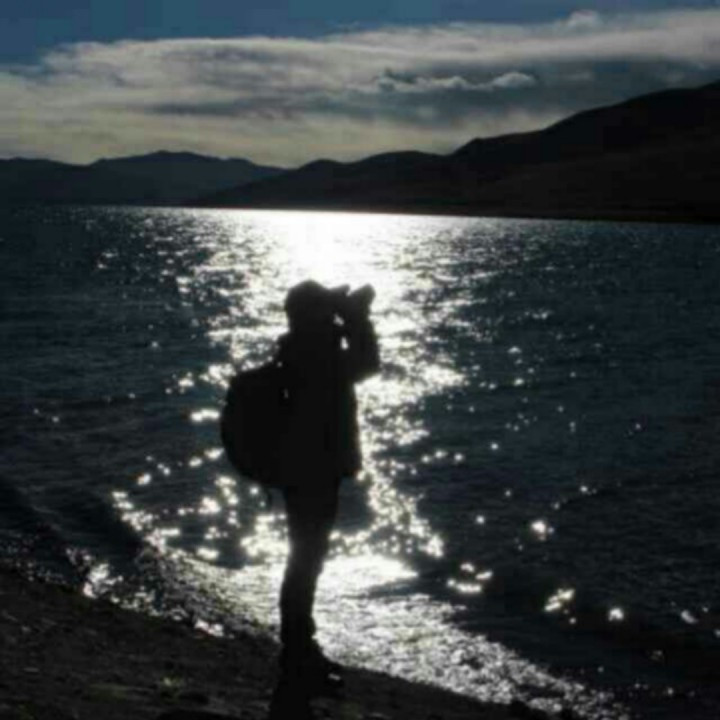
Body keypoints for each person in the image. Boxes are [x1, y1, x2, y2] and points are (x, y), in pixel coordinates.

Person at [270, 279, 380, 713]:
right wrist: (356, 317)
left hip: (301, 469)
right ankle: (298, 651)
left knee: (304, 558)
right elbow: (368, 363)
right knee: (306, 560)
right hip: (314, 471)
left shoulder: (298, 351)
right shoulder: (319, 357)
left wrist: (342, 314)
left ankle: (299, 647)